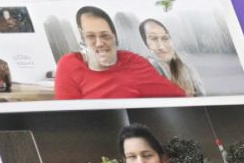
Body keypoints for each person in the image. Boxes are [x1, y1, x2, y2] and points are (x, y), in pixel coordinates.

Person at [55, 7, 187, 100]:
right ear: (82, 40)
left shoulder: (134, 62)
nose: (99, 43)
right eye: (90, 36)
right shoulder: (69, 64)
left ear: (115, 37)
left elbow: (178, 97)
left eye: (105, 36)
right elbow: (70, 115)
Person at [139, 18, 205, 97]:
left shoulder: (184, 63)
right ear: (145, 42)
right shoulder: (148, 66)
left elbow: (201, 95)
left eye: (165, 38)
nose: (161, 47)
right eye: (153, 39)